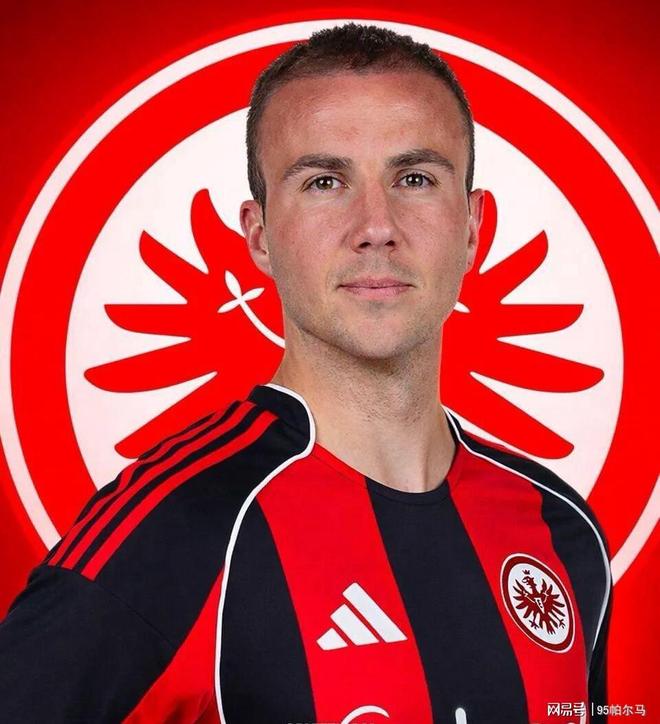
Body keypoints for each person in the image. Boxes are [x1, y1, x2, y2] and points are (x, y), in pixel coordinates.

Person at [0, 23, 611, 723]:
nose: (376, 226)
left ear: (471, 226)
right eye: (325, 182)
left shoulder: (562, 530)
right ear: (259, 236)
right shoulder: (179, 529)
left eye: (414, 178)